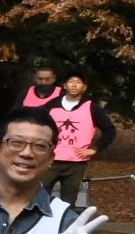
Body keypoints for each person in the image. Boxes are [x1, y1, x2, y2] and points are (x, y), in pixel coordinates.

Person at [45, 73, 114, 207]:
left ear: (84, 87)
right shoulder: (51, 106)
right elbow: (37, 126)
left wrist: (95, 148)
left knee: (68, 201)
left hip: (76, 162)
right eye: (71, 81)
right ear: (64, 85)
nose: (74, 85)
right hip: (50, 159)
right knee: (40, 194)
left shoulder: (92, 108)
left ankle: (65, 226)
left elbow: (110, 130)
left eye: (78, 82)